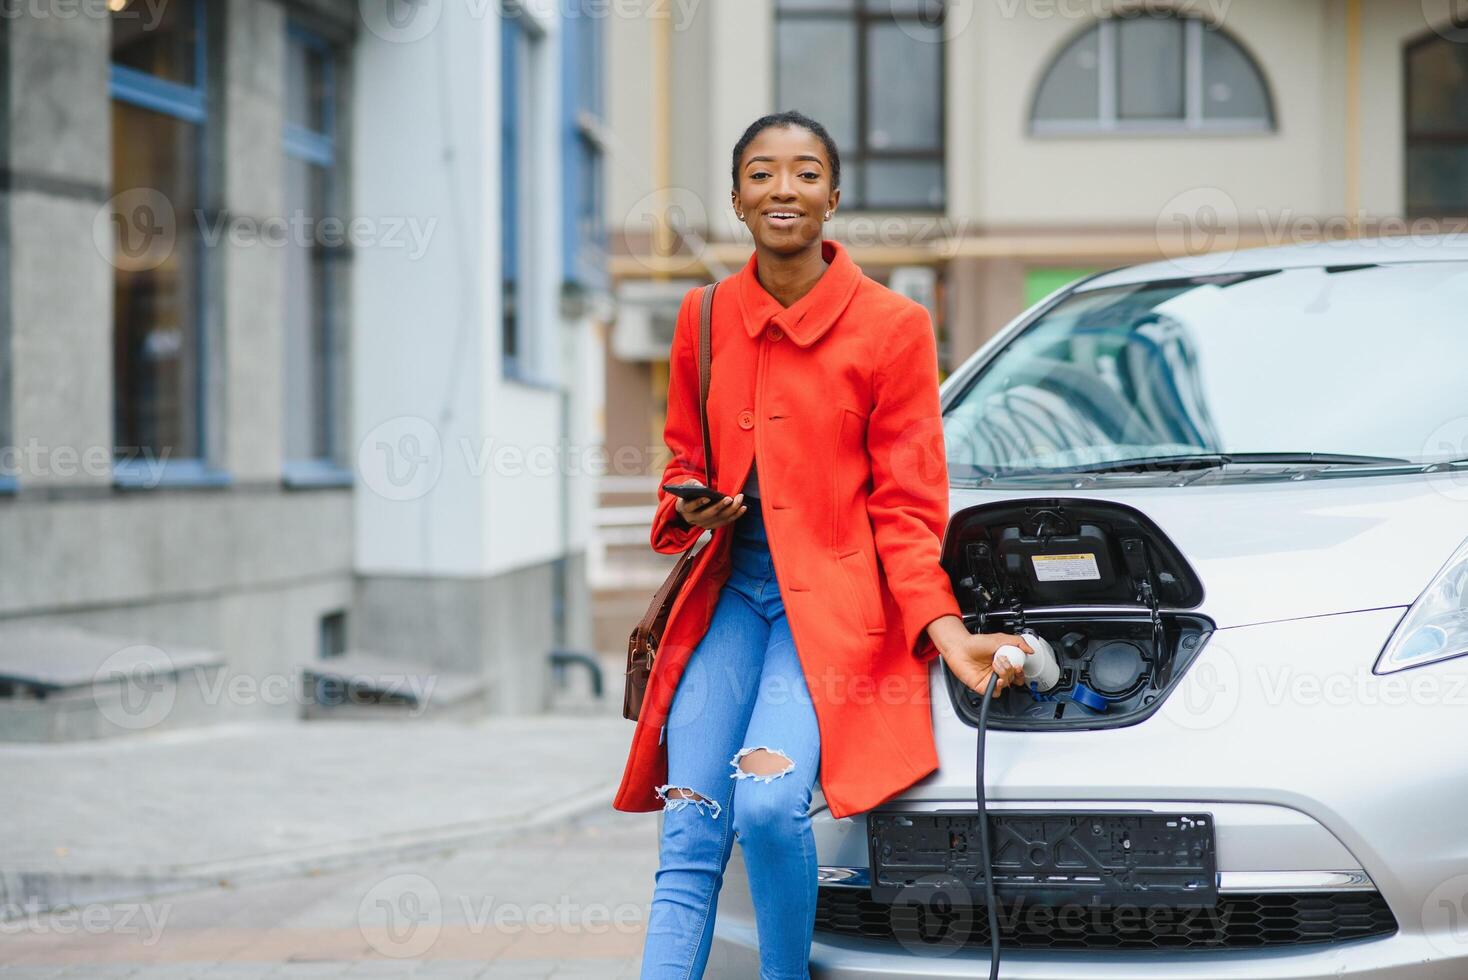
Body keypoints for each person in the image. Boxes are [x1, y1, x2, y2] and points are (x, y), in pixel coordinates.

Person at [618, 110, 1030, 979]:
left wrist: (946, 632)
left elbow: (909, 508)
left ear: (833, 197)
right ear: (736, 199)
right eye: (762, 173)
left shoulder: (892, 327)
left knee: (767, 805)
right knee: (691, 824)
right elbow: (682, 463)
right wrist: (692, 507)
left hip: (833, 611)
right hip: (730, 594)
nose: (783, 189)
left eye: (805, 173)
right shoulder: (702, 317)